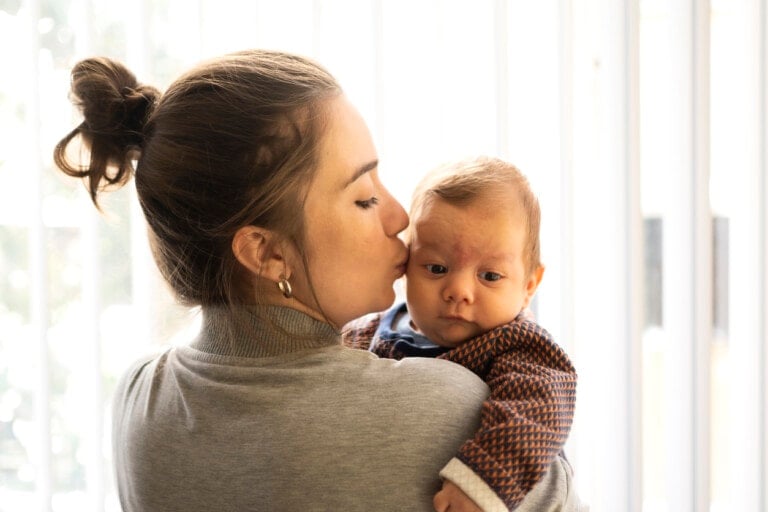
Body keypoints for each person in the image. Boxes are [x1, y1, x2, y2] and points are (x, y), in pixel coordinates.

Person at [53, 50, 577, 512]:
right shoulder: (459, 414)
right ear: (268, 253)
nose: (400, 218)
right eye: (364, 198)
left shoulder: (138, 396)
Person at [344, 156, 582, 511]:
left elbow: (536, 409)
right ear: (406, 267)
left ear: (529, 284)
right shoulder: (368, 332)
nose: (459, 291)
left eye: (489, 276)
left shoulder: (519, 346)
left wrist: (482, 482)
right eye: (437, 268)